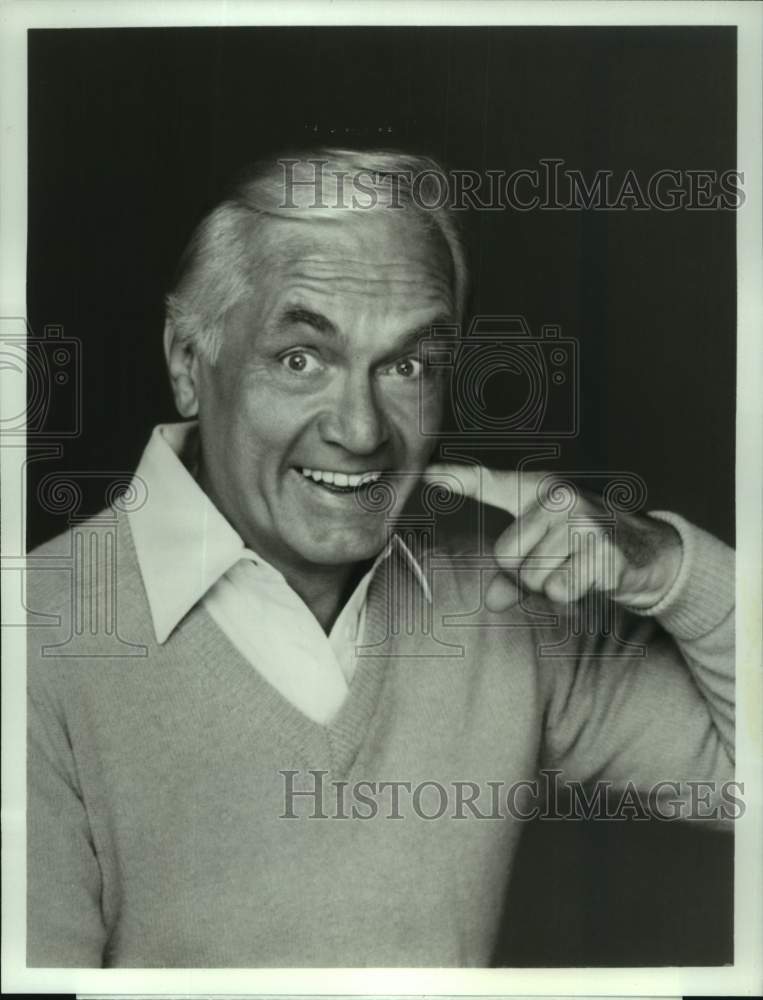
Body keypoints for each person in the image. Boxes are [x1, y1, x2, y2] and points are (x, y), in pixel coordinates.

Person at [26, 149, 735, 968]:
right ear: (189, 364)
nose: (360, 431)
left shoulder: (496, 592)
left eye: (405, 366)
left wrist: (668, 570)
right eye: (301, 359)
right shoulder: (37, 642)